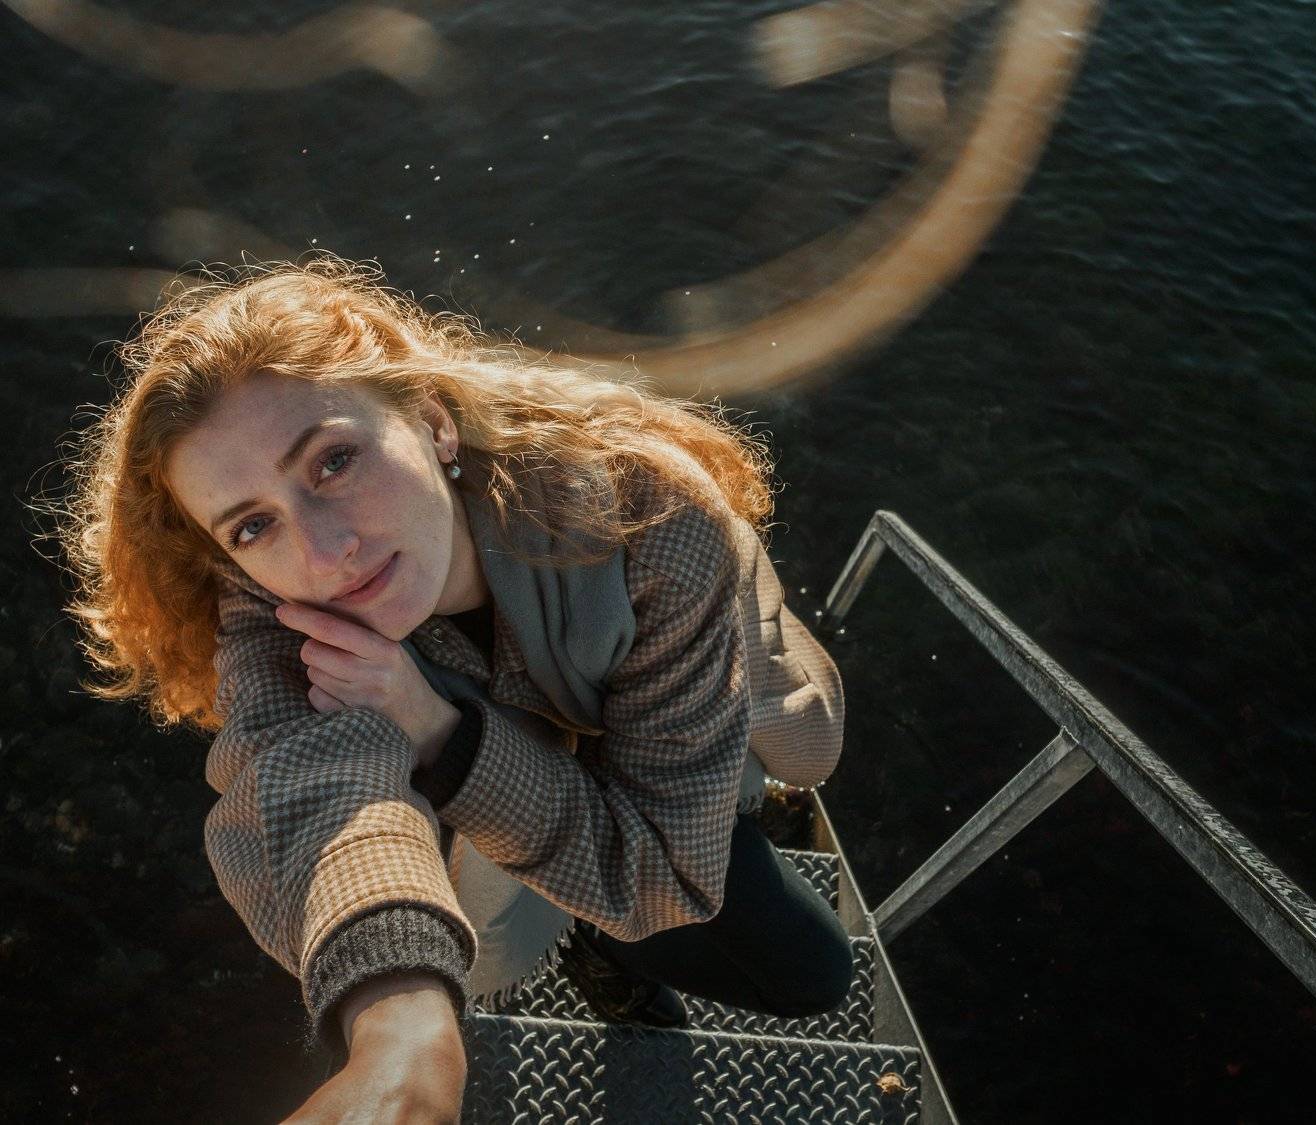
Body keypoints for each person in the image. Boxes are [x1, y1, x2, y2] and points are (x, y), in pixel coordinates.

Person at [53, 255, 851, 1123]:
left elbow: (661, 870)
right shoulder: (274, 598)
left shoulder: (652, 514)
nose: (324, 551)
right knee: (780, 958)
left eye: (333, 461)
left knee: (809, 970)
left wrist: (438, 729)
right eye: (252, 524)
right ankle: (601, 945)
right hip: (546, 800)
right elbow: (316, 783)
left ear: (433, 422)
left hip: (678, 743)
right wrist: (399, 1016)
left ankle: (614, 940)